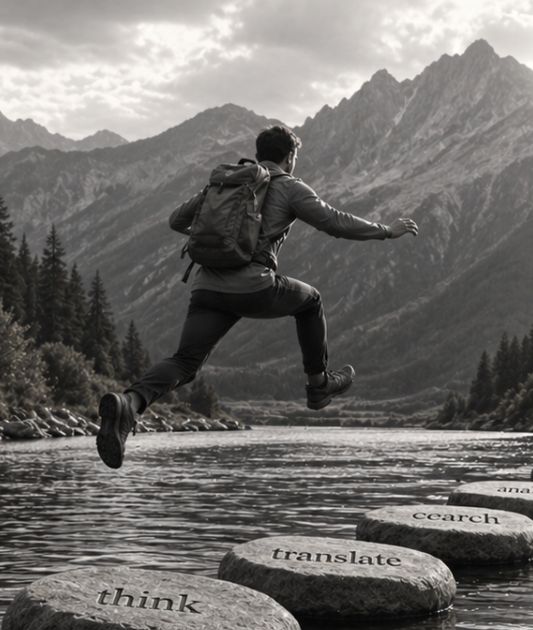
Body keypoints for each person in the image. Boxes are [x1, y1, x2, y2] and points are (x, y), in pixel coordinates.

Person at [96, 124, 418, 468]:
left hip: (207, 288)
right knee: (311, 302)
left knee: (185, 362)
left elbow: (177, 220)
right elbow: (334, 222)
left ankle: (129, 403)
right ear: (290, 156)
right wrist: (386, 231)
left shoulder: (224, 184)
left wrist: (222, 237)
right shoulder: (289, 186)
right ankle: (318, 385)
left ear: (260, 150)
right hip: (254, 286)